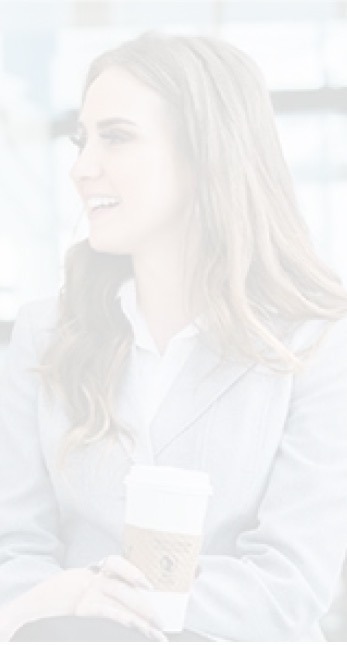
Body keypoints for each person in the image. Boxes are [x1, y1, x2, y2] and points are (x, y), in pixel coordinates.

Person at [0, 30, 347, 642]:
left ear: (206, 153)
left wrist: (97, 597)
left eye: (117, 136)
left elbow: (288, 583)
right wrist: (75, 600)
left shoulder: (316, 343)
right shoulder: (44, 333)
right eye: (83, 140)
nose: (82, 168)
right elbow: (13, 550)